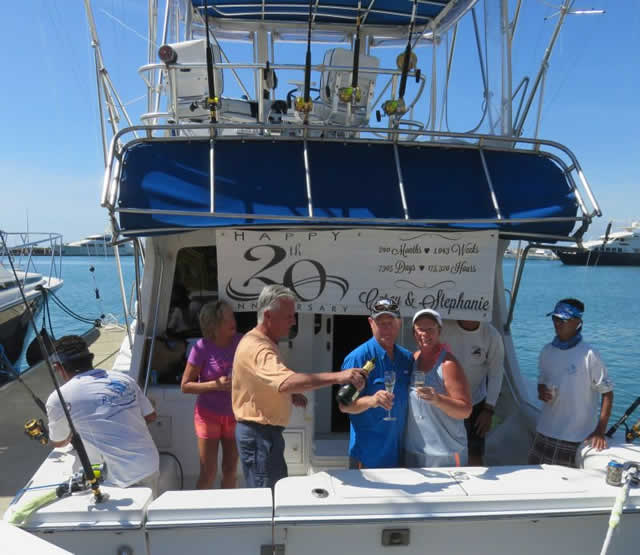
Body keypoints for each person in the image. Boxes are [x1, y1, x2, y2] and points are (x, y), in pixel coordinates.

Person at [232, 284, 366, 488]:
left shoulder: (261, 342)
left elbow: (265, 382)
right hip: (261, 436)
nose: (293, 321)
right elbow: (286, 382)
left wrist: (289, 395)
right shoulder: (258, 348)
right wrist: (339, 377)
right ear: (268, 316)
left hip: (264, 435)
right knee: (267, 498)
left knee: (272, 491)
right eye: (288, 316)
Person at [45, 335, 159, 495]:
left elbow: (59, 442)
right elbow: (151, 416)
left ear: (58, 367)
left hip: (115, 479)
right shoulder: (124, 379)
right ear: (89, 358)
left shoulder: (58, 398)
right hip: (149, 464)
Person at [528, 299, 613, 468]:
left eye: (563, 320)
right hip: (544, 431)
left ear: (577, 322)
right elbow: (541, 381)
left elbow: (608, 393)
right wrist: (541, 391)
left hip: (574, 437)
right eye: (555, 319)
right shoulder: (547, 351)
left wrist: (600, 431)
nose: (557, 324)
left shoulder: (589, 354)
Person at [338, 298, 413, 469]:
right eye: (381, 323)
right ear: (371, 323)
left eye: (391, 322)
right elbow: (345, 406)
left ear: (400, 323)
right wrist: (372, 401)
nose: (387, 329)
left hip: (399, 452)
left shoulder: (407, 358)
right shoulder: (357, 358)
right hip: (367, 456)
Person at [181, 300, 241, 489]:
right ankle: (199, 515)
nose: (233, 320)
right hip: (208, 416)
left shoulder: (242, 342)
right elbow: (185, 386)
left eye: (232, 316)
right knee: (209, 472)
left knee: (230, 470)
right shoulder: (202, 347)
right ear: (214, 325)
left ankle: (229, 513)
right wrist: (216, 385)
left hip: (235, 415)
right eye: (227, 318)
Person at [405, 309, 472, 468]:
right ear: (414, 333)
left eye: (430, 329)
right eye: (420, 329)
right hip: (415, 451)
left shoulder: (448, 364)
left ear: (439, 331)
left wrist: (438, 399)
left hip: (445, 453)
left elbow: (465, 410)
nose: (425, 333)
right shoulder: (413, 359)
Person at [441, 319, 504, 465]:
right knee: (445, 452)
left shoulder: (492, 335)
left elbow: (496, 373)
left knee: (475, 454)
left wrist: (488, 410)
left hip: (475, 402)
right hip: (446, 403)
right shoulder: (444, 328)